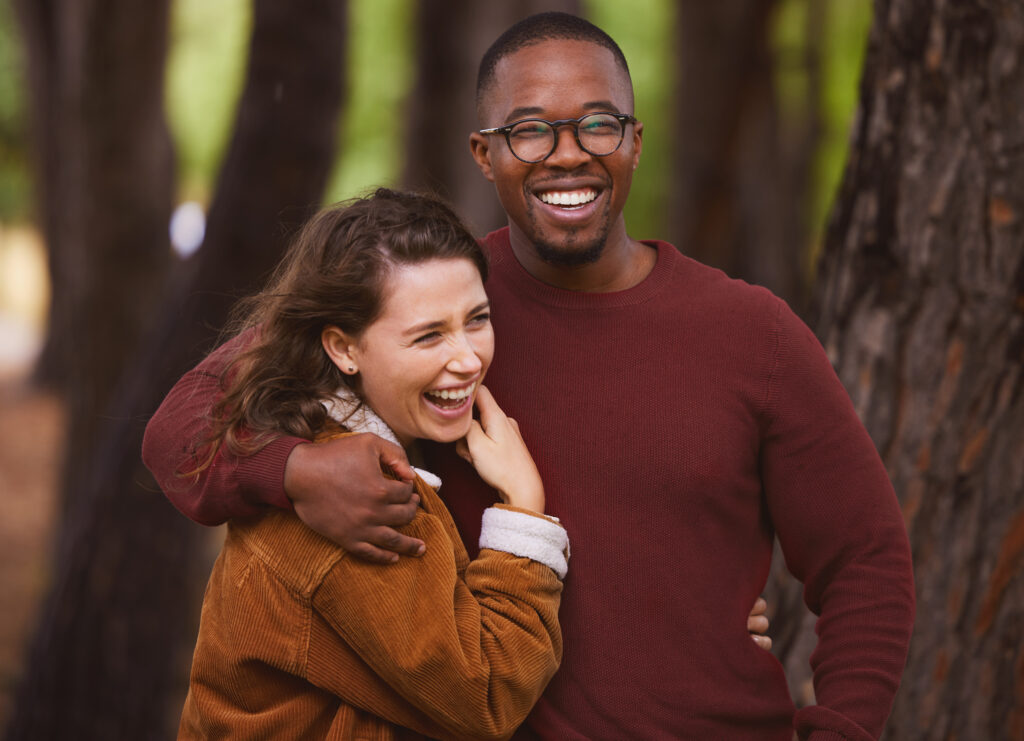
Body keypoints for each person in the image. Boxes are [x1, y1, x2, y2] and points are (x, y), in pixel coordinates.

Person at [144, 12, 914, 741]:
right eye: (530, 130)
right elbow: (184, 425)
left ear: (635, 142)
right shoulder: (432, 305)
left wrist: (837, 727)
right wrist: (296, 468)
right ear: (486, 153)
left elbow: (866, 557)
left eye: (598, 124)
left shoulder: (753, 332)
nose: (568, 153)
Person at [176, 189, 570, 739]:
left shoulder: (351, 430)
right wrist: (525, 511)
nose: (467, 358)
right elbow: (488, 693)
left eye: (477, 319)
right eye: (428, 335)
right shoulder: (358, 501)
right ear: (343, 349)